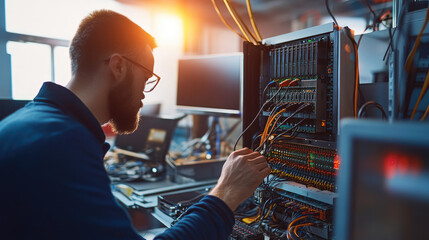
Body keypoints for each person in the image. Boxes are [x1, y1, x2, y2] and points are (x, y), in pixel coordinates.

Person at [0, 10, 270, 240]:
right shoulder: (61, 143)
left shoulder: (35, 123)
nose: (145, 93)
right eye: (146, 77)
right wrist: (225, 193)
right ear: (118, 66)